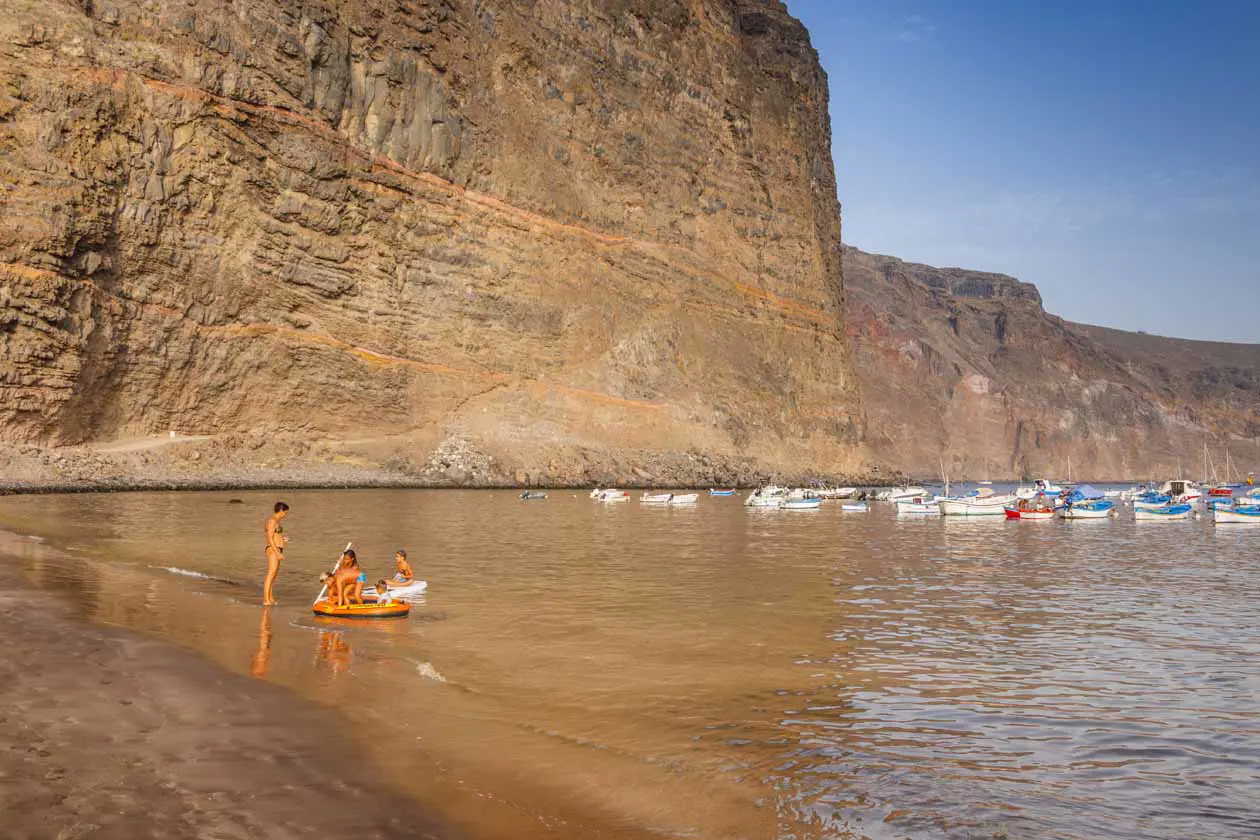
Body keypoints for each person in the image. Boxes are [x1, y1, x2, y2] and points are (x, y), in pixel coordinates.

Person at [262, 502, 290, 606]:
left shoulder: (276, 521)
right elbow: (269, 537)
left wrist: (283, 538)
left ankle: (270, 597)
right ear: (281, 510)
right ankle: (266, 599)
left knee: (274, 575)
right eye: (286, 512)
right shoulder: (272, 521)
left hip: (278, 549)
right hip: (273, 550)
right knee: (270, 574)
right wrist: (277, 552)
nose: (286, 515)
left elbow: (275, 535)